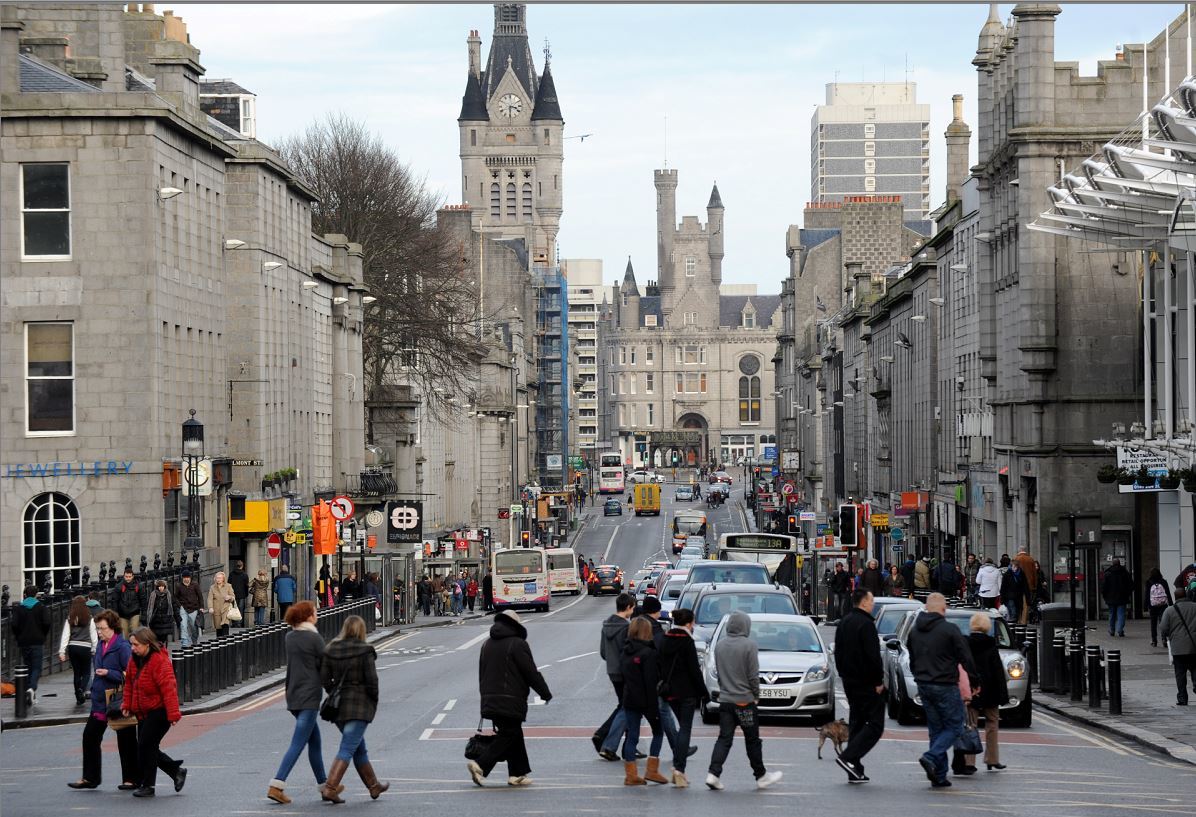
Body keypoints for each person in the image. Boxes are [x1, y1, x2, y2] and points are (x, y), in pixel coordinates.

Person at [468, 610, 552, 787]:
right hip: (510, 699)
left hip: (490, 698)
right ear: (516, 626)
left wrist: (484, 697)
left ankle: (517, 773)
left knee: (513, 732)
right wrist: (544, 692)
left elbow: (481, 674)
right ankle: (481, 765)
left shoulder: (487, 644)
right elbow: (530, 672)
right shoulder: (518, 644)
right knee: (509, 733)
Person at [704, 611, 782, 790]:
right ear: (746, 626)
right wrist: (756, 695)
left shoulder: (720, 646)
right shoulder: (749, 645)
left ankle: (713, 773)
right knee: (752, 740)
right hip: (744, 701)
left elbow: (721, 673)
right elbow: (753, 675)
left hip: (726, 700)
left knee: (724, 738)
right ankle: (760, 775)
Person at [907, 593, 979, 788]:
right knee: (955, 726)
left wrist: (918, 675)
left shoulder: (914, 631)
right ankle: (931, 757)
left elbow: (912, 658)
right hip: (946, 684)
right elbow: (966, 657)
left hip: (924, 684)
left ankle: (939, 775)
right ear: (943, 609)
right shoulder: (950, 630)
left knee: (936, 729)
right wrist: (974, 681)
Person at [268, 601, 331, 804]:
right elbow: (325, 667)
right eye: (315, 612)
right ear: (308, 616)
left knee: (315, 741)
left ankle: (325, 786)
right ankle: (277, 784)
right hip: (309, 696)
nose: (317, 615)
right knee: (298, 743)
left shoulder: (290, 637)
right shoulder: (314, 638)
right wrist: (333, 689)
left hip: (293, 693)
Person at [69, 609, 139, 791]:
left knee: (126, 740)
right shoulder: (100, 644)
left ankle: (131, 779)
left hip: (118, 700)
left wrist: (110, 673)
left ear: (113, 627)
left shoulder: (123, 647)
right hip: (100, 700)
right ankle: (90, 778)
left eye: (103, 628)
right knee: (90, 736)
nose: (99, 632)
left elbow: (131, 675)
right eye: (98, 628)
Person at [320, 615, 387, 802]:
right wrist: (373, 701)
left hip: (339, 708)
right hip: (359, 707)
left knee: (358, 748)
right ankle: (330, 788)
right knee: (348, 748)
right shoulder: (365, 651)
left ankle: (374, 786)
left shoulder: (331, 649)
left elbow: (324, 679)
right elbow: (372, 682)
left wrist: (334, 692)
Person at [123, 628, 186, 797]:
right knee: (147, 747)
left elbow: (169, 688)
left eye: (136, 645)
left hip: (160, 711)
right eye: (131, 644)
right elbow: (129, 683)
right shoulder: (134, 660)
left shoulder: (159, 660)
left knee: (145, 745)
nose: (133, 648)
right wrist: (127, 704)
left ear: (147, 644)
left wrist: (173, 714)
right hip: (143, 711)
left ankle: (148, 785)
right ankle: (175, 771)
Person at [833, 589, 884, 783]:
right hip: (867, 683)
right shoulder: (866, 624)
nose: (873, 604)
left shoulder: (845, 622)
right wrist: (878, 681)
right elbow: (873, 656)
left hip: (849, 681)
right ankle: (848, 757)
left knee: (857, 722)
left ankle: (854, 768)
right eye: (871, 600)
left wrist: (843, 673)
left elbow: (838, 651)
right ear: (863, 602)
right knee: (875, 725)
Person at [658, 608, 704, 787]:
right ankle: (679, 770)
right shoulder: (687, 641)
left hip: (669, 691)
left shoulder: (665, 638)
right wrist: (703, 693)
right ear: (689, 623)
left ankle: (678, 769)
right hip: (686, 692)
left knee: (681, 727)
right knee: (685, 729)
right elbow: (694, 670)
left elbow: (659, 664)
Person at [619, 617, 667, 785]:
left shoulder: (626, 651)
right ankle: (652, 770)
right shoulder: (649, 653)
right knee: (658, 732)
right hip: (646, 700)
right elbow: (650, 682)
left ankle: (630, 774)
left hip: (630, 698)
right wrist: (653, 707)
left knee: (632, 736)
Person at [962, 612, 1008, 772]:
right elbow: (998, 672)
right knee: (992, 724)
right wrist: (1003, 694)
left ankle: (969, 761)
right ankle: (992, 758)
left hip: (971, 689)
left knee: (970, 724)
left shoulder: (966, 644)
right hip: (990, 689)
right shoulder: (990, 644)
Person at [595, 593, 635, 760]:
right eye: (632, 608)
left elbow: (603, 652)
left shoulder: (606, 625)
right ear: (627, 607)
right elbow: (629, 652)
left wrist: (612, 662)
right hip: (625, 672)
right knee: (627, 707)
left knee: (623, 706)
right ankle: (608, 742)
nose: (632, 611)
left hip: (612, 671)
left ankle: (621, 742)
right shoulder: (626, 627)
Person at [12, 585, 51, 705]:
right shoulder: (41, 607)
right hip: (37, 641)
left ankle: (30, 694)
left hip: (24, 642)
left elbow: (14, 625)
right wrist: (42, 634)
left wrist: (19, 636)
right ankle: (31, 688)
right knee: (36, 668)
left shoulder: (19, 608)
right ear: (36, 595)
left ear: (25, 595)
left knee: (28, 667)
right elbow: (47, 623)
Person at [1159, 585, 1196, 706]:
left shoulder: (1169, 610)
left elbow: (1164, 628)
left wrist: (1166, 637)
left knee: (1180, 674)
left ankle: (1182, 698)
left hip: (1178, 648)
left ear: (1175, 597)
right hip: (1194, 646)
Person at [58, 595, 98, 706]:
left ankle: (78, 696)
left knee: (76, 673)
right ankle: (81, 689)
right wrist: (94, 648)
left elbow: (65, 635)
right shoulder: (89, 618)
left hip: (73, 647)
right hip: (85, 647)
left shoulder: (70, 619)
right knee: (86, 672)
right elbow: (93, 635)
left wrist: (62, 651)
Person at [1101, 558, 1133, 637]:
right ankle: (1120, 630)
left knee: (1112, 614)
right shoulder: (1125, 573)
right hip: (1122, 598)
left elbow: (1104, 587)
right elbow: (1131, 585)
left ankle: (1112, 630)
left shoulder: (1108, 573)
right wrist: (1127, 594)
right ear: (1119, 563)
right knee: (1121, 614)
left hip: (1110, 598)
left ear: (1112, 563)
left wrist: (1105, 596)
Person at [174, 570, 203, 648]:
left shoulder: (195, 585)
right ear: (182, 578)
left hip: (194, 608)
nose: (186, 579)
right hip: (183, 608)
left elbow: (200, 596)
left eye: (188, 577)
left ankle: (194, 640)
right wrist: (180, 606)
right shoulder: (179, 586)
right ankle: (184, 643)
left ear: (190, 578)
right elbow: (175, 597)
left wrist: (201, 607)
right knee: (183, 625)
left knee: (193, 626)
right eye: (185, 577)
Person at [1145, 567, 1173, 647]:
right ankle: (1164, 639)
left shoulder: (1148, 582)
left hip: (1152, 605)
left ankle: (1154, 641)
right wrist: (1170, 604)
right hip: (1163, 605)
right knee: (1163, 622)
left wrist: (1145, 606)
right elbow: (1167, 593)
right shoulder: (1163, 582)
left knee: (1153, 623)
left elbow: (1147, 595)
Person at [206, 571, 237, 638]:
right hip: (217, 610)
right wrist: (210, 607)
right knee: (218, 628)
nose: (218, 579)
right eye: (217, 578)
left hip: (226, 610)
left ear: (223, 579)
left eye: (220, 578)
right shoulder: (212, 587)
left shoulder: (228, 586)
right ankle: (219, 644)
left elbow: (233, 597)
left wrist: (229, 597)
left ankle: (226, 642)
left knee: (225, 626)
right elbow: (210, 598)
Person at [145, 580, 175, 646]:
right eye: (159, 586)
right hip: (156, 620)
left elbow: (173, 606)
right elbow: (149, 607)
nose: (161, 588)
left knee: (163, 638)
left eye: (162, 586)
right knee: (156, 638)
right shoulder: (153, 595)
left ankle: (162, 651)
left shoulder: (168, 595)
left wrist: (177, 618)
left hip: (165, 620)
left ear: (165, 587)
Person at [115, 569, 143, 638]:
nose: (128, 578)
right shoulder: (119, 586)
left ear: (133, 576)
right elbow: (115, 601)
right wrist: (115, 614)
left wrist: (144, 614)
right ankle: (128, 648)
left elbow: (143, 599)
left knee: (134, 633)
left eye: (129, 576)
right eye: (126, 576)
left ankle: (134, 647)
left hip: (135, 613)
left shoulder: (138, 586)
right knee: (125, 635)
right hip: (123, 614)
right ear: (124, 576)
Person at [229, 560, 250, 627]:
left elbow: (229, 584)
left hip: (233, 594)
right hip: (242, 594)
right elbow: (246, 585)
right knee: (240, 609)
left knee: (234, 608)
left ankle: (234, 622)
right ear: (242, 566)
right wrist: (246, 594)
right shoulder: (244, 575)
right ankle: (239, 623)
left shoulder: (231, 574)